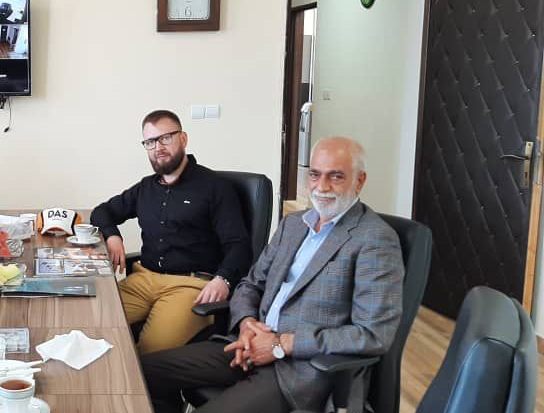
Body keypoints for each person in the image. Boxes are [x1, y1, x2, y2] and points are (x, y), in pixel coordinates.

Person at [141, 137, 404, 413]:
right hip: (247, 345)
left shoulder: (375, 239)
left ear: (359, 181)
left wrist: (281, 344)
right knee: (142, 372)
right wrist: (247, 323)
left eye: (336, 176)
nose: (322, 186)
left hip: (299, 371)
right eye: (315, 175)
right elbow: (250, 284)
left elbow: (372, 334)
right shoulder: (294, 224)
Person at [90, 109, 252, 354]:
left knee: (147, 353)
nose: (158, 147)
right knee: (90, 321)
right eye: (150, 142)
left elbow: (239, 244)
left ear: (183, 139)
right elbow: (102, 212)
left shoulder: (215, 188)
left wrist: (224, 279)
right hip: (143, 279)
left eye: (165, 138)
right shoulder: (146, 187)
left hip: (189, 285)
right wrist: (112, 236)